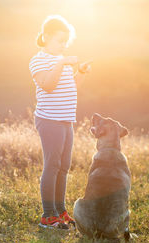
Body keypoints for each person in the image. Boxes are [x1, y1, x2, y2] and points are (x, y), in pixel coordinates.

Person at [29, 15, 91, 229]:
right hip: (50, 120)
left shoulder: (59, 61)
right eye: (59, 40)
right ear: (46, 37)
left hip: (66, 120)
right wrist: (62, 62)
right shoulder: (38, 60)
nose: (62, 45)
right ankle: (48, 215)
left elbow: (71, 86)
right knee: (52, 165)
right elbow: (48, 85)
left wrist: (80, 72)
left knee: (64, 167)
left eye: (65, 42)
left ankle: (60, 211)